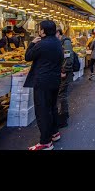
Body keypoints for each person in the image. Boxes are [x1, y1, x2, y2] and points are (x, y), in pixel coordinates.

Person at [24, 20, 63, 150]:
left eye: (39, 28)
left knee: (42, 111)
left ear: (43, 31)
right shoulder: (57, 42)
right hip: (55, 80)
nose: (38, 30)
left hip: (43, 81)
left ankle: (45, 142)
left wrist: (32, 44)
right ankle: (54, 133)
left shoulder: (41, 44)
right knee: (52, 108)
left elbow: (28, 57)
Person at [56, 27, 74, 128]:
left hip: (65, 73)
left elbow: (68, 56)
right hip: (61, 71)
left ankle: (63, 117)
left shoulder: (65, 42)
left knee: (62, 94)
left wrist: (64, 70)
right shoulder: (61, 42)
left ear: (58, 33)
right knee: (61, 94)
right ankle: (62, 115)